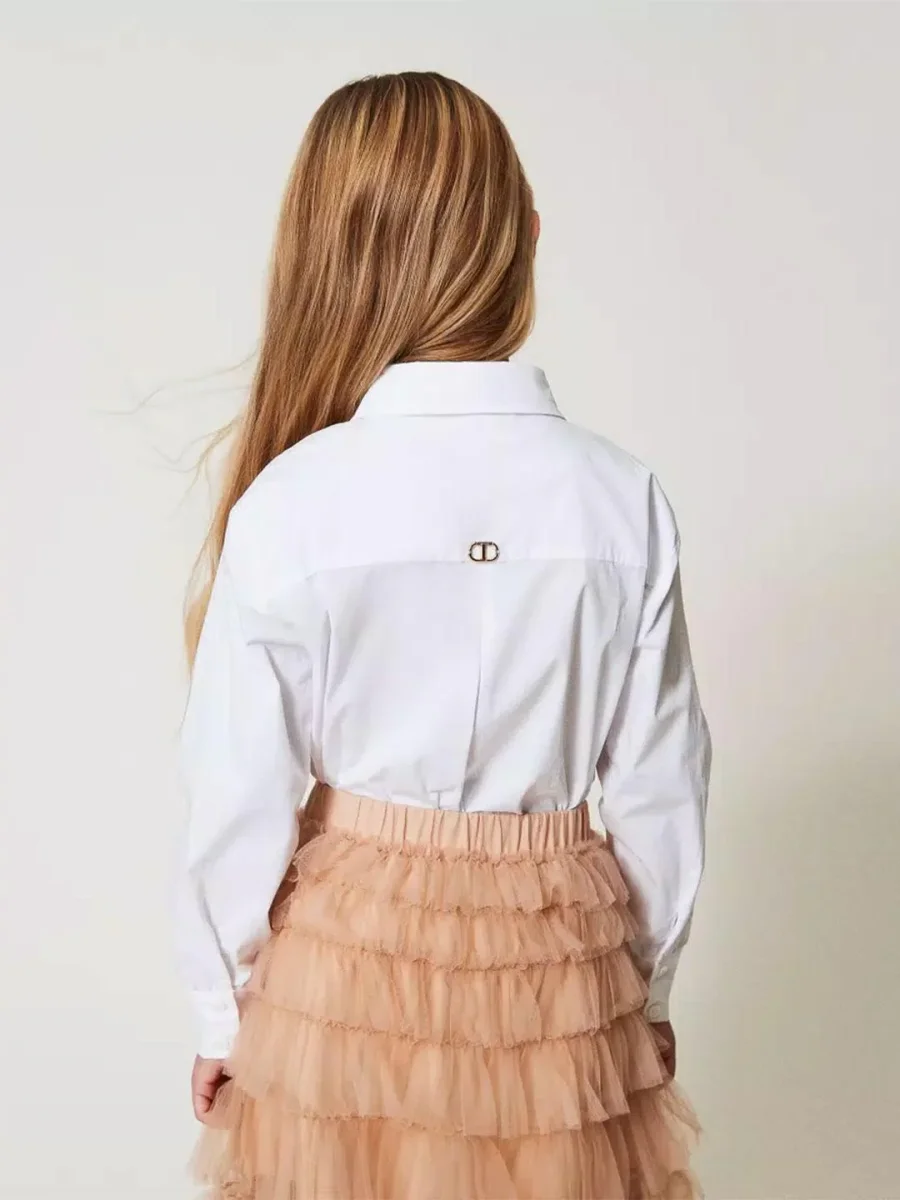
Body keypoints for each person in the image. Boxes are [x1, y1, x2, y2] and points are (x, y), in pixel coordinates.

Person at [175, 70, 711, 1200]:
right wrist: (648, 992)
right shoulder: (621, 498)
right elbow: (663, 787)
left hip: (345, 975)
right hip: (562, 978)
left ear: (328, 252)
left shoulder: (294, 500)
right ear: (525, 239)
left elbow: (238, 787)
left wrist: (222, 1010)